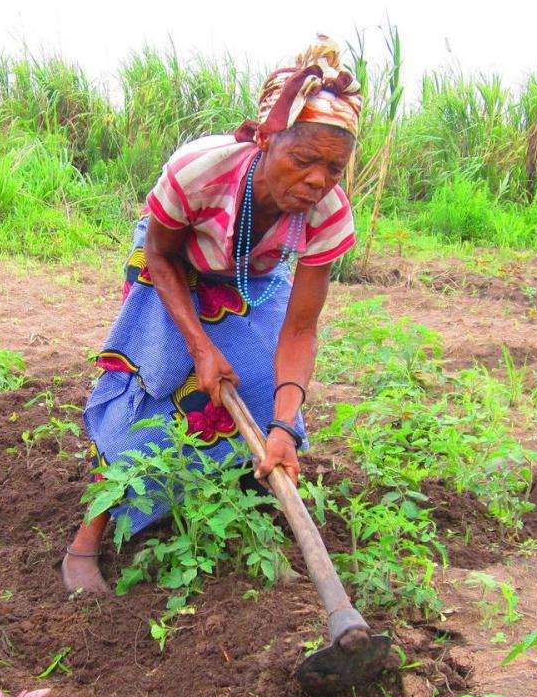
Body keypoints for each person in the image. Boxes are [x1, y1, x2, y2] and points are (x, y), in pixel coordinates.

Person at [63, 38, 361, 594]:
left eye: (333, 168)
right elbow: (160, 253)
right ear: (266, 139)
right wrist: (199, 346)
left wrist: (283, 426)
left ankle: (227, 511)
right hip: (173, 266)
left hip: (251, 279)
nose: (318, 180)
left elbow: (300, 329)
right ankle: (88, 539)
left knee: (261, 392)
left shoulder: (327, 213)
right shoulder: (200, 171)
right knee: (155, 387)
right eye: (303, 159)